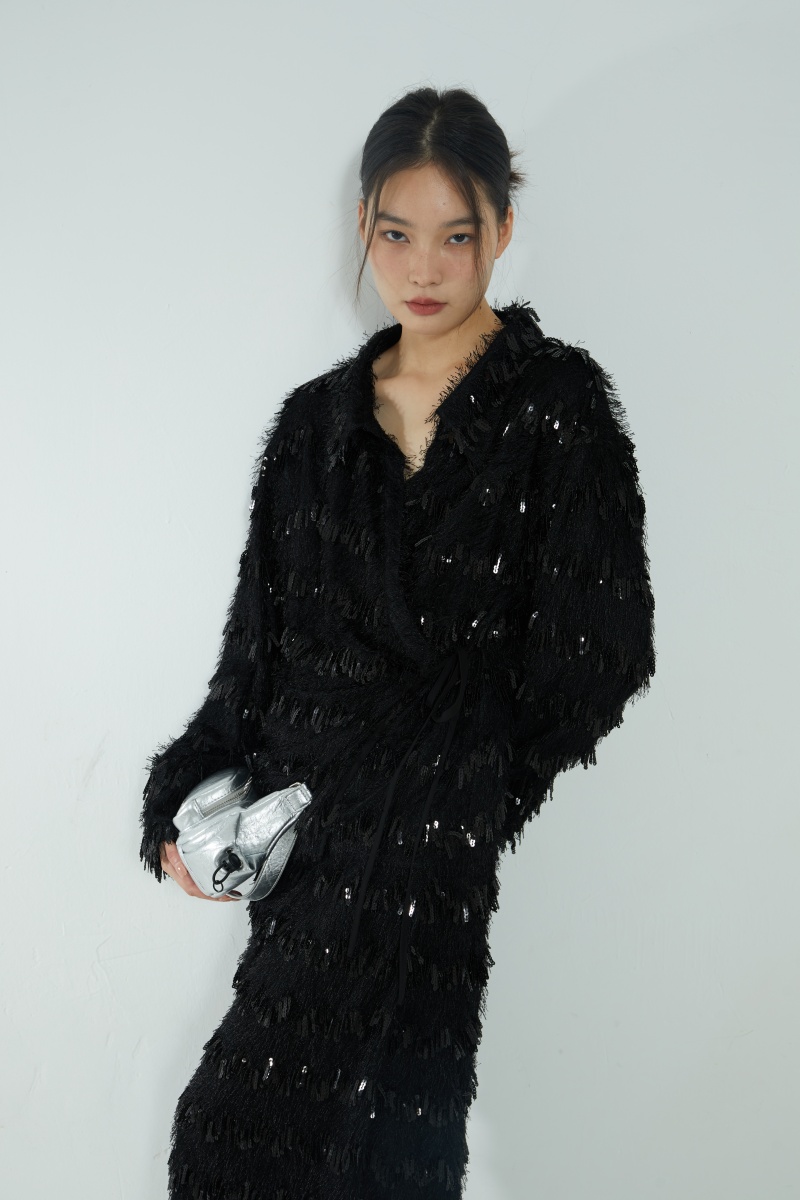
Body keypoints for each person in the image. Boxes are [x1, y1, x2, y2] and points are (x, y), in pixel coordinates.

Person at [141, 85, 656, 1199]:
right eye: (395, 234)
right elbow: (254, 657)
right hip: (309, 851)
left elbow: (603, 652)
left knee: (387, 1149)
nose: (423, 268)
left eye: (455, 237)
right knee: (228, 1142)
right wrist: (183, 798)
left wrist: (463, 789)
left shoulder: (556, 408)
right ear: (364, 230)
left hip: (430, 863)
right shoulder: (312, 427)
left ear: (501, 230)